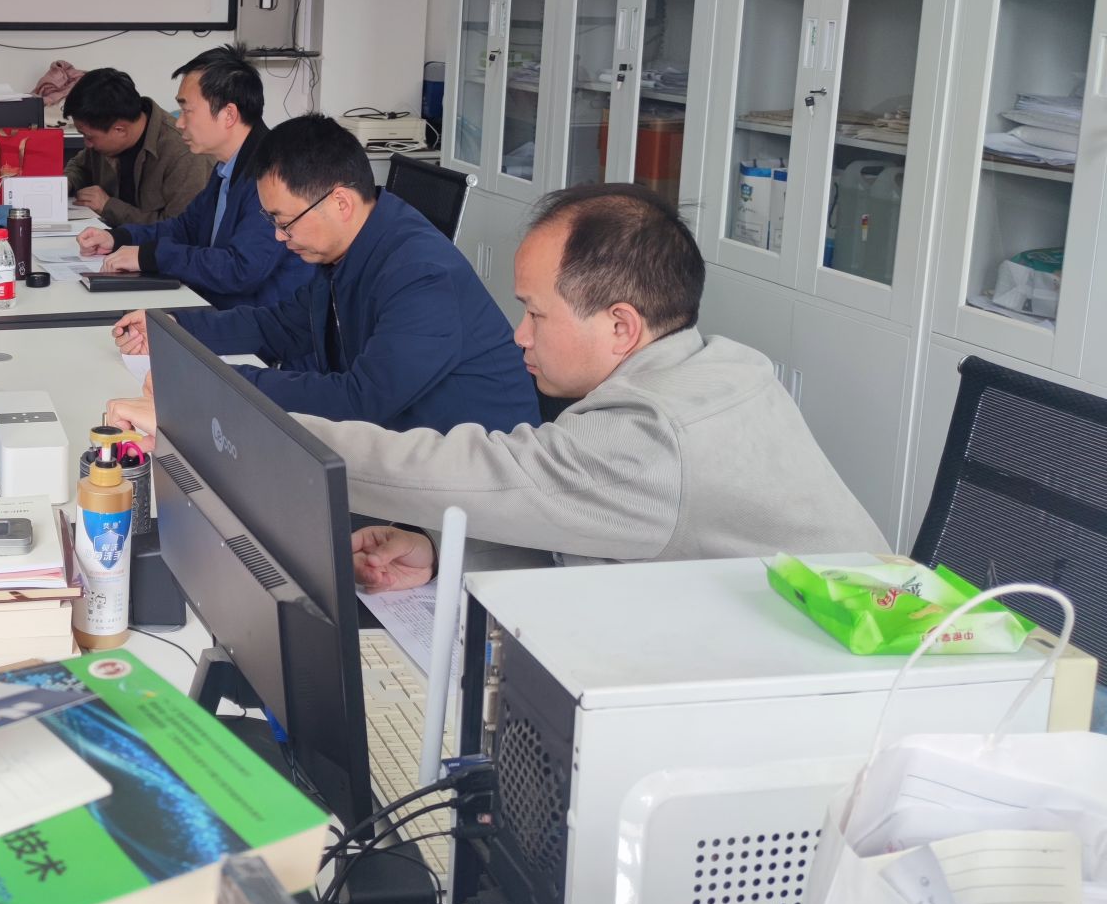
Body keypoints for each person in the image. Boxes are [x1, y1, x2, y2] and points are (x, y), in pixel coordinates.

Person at [108, 183, 886, 583]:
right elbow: (610, 531)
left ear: (620, 326)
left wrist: (221, 420)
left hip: (848, 718)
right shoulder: (719, 364)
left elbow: (475, 469)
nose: (519, 336)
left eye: (535, 313)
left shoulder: (654, 435)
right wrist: (443, 554)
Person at [112, 114, 537, 434]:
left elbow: (360, 400)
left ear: (340, 203)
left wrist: (208, 381)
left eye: (285, 222)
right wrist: (173, 327)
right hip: (404, 444)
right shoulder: (349, 249)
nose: (279, 237)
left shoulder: (421, 276)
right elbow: (282, 326)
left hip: (470, 474)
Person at [78, 46, 311, 311]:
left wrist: (151, 256)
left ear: (228, 114)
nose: (179, 123)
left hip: (254, 324)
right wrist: (118, 237)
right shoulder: (227, 168)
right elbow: (186, 229)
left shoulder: (272, 176)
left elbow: (240, 269)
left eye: (187, 110)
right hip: (218, 310)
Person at [63, 66, 209, 229]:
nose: (87, 144)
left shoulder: (184, 152)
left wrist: (109, 207)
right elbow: (80, 166)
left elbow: (179, 229)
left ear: (120, 130)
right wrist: (65, 183)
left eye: (89, 137)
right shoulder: (104, 142)